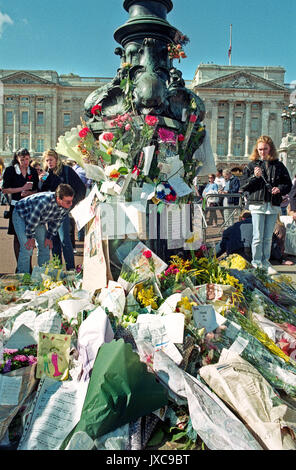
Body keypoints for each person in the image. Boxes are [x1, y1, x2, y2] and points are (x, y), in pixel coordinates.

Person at [241, 135, 292, 275]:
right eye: (260, 149)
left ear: (270, 149)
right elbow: (244, 186)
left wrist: (279, 189)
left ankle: (265, 261)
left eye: (265, 149)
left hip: (273, 204)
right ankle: (256, 262)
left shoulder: (278, 165)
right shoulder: (252, 165)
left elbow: (288, 184)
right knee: (258, 235)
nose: (262, 152)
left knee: (268, 236)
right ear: (257, 150)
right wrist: (254, 177)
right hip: (257, 204)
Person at [39, 149, 86, 270]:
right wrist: (41, 181)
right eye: (47, 160)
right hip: (51, 212)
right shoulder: (48, 173)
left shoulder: (66, 170)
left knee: (65, 240)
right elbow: (43, 192)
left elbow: (81, 188)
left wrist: (71, 204)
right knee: (54, 242)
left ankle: (70, 270)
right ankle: (57, 270)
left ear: (57, 159)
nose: (49, 162)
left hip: (63, 212)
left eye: (51, 160)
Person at [12, 184, 74, 274]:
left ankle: (43, 274)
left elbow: (57, 222)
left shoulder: (65, 206)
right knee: (27, 247)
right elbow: (31, 221)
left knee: (45, 245)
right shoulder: (43, 202)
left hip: (38, 219)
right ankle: (22, 275)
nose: (71, 204)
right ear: (58, 199)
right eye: (68, 202)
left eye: (71, 201)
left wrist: (49, 237)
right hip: (21, 214)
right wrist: (30, 237)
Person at [2, 148, 39, 266]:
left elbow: (37, 190)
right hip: (16, 207)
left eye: (27, 159)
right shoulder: (10, 171)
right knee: (18, 237)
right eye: (22, 159)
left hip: (30, 208)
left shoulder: (32, 171)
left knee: (29, 237)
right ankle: (20, 265)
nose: (25, 162)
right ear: (17, 159)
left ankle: (27, 265)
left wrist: (29, 193)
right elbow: (4, 189)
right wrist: (22, 189)